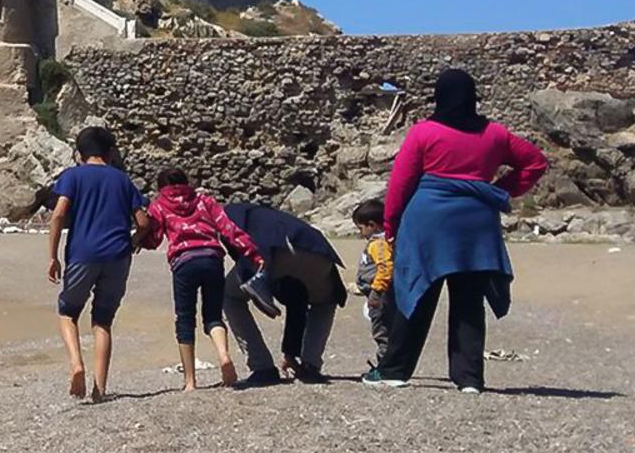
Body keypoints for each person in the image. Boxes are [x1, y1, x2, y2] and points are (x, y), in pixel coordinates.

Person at [367, 69, 549, 393]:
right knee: (468, 301)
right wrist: (496, 190)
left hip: (428, 222)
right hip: (476, 224)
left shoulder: (424, 132)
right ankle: (469, 379)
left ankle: (394, 370)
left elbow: (400, 183)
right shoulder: (495, 134)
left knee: (417, 294)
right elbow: (534, 162)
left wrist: (390, 226)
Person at [46, 126, 152, 402]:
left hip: (83, 253)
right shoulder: (122, 180)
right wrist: (133, 242)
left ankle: (76, 364)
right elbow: (143, 222)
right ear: (110, 152)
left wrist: (53, 256)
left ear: (80, 154)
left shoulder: (72, 176)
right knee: (103, 320)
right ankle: (100, 389)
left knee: (68, 311)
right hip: (118, 256)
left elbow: (58, 215)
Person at [142, 168, 264, 390]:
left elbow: (154, 239)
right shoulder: (204, 200)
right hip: (212, 259)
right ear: (186, 182)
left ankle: (190, 381)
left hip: (184, 263)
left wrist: (138, 238)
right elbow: (228, 229)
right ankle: (224, 355)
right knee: (213, 315)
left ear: (161, 187)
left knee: (185, 318)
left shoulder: (159, 205)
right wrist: (253, 253)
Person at [220, 200, 346, 388]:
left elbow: (239, 247)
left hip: (275, 251)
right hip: (318, 252)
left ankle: (262, 367)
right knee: (324, 303)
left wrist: (256, 279)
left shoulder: (226, 213)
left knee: (230, 296)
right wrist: (290, 352)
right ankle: (310, 366)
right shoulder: (273, 214)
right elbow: (297, 301)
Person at [351, 198, 394, 368]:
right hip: (375, 292)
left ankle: (385, 367)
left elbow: (385, 268)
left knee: (382, 330)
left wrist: (376, 291)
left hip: (380, 296)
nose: (361, 233)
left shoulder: (379, 245)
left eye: (361, 228)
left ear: (372, 225)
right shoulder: (379, 243)